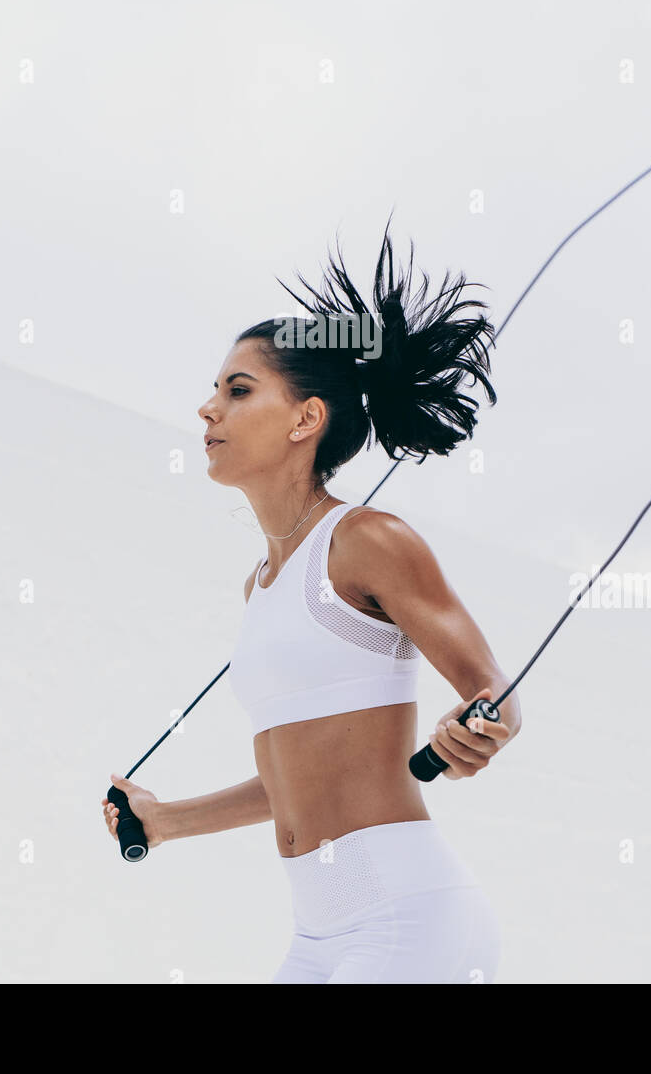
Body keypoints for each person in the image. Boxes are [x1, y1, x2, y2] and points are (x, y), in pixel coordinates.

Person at [102, 219, 520, 982]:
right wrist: (166, 821)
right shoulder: (262, 584)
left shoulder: (367, 539)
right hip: (320, 934)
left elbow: (494, 693)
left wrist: (478, 730)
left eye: (237, 390)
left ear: (305, 418)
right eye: (213, 391)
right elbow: (300, 778)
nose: (207, 410)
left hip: (405, 919)